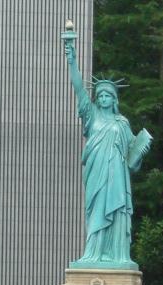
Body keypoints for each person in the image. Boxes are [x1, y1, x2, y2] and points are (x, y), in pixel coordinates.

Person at [65, 40, 151, 269]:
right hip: (96, 172)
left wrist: (141, 151)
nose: (103, 99)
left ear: (114, 99)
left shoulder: (122, 123)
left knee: (118, 210)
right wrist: (72, 61)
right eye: (100, 95)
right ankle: (93, 254)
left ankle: (117, 255)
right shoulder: (91, 115)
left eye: (107, 96)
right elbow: (78, 89)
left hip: (117, 175)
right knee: (96, 211)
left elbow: (132, 157)